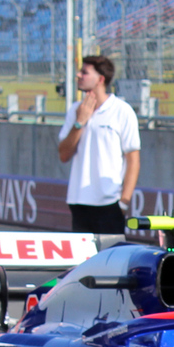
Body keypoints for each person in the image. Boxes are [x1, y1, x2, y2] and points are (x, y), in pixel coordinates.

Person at [56, 54, 140, 233]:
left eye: (84, 72)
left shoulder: (122, 111)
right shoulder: (75, 109)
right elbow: (63, 154)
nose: (78, 76)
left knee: (110, 259)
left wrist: (124, 201)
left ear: (100, 79)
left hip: (109, 203)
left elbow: (133, 159)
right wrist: (80, 123)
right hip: (78, 201)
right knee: (84, 261)